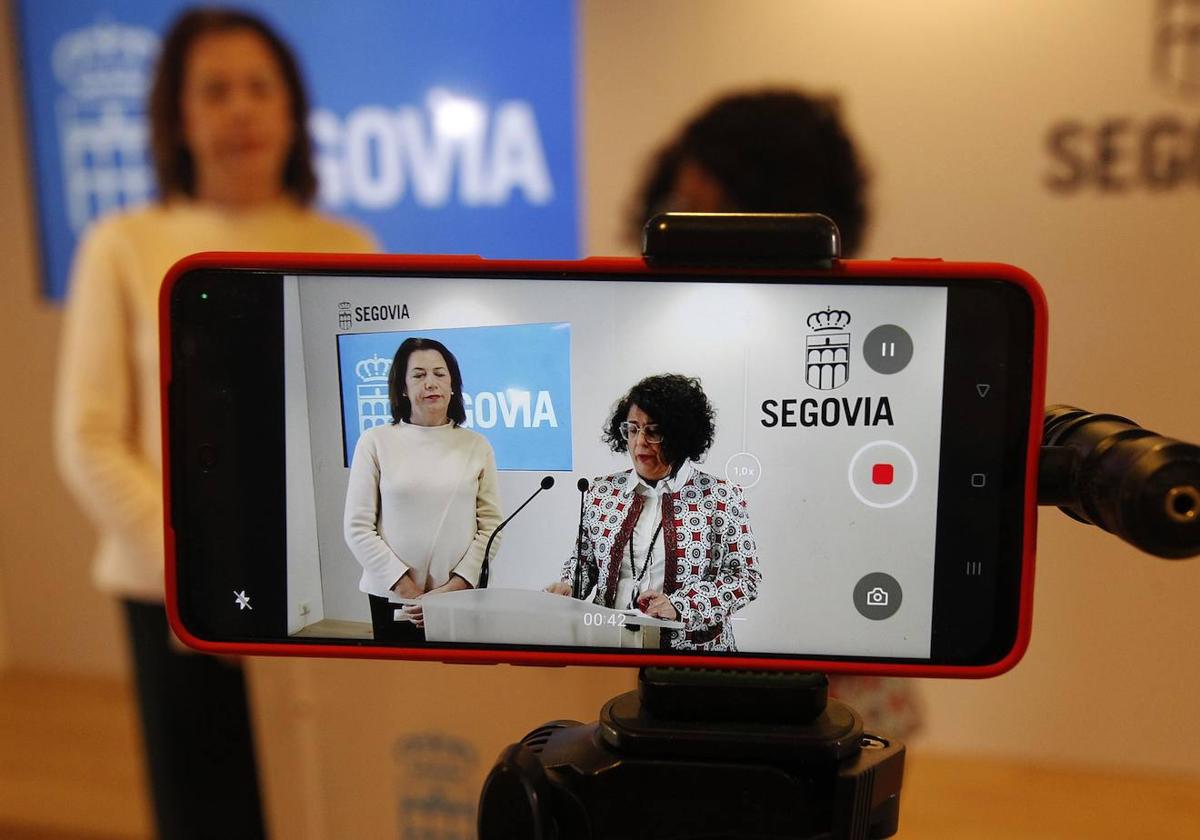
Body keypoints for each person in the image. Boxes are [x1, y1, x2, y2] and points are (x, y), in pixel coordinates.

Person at [53, 8, 376, 839]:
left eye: (259, 87)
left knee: (321, 802)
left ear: (292, 110)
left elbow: (359, 439)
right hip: (166, 594)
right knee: (204, 807)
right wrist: (199, 572)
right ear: (178, 115)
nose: (239, 109)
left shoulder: (347, 243)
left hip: (315, 595)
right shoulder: (121, 243)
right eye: (214, 89)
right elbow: (89, 437)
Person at [629, 88, 922, 738]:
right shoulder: (861, 333)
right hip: (844, 676)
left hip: (756, 677)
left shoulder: (683, 332)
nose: (685, 194)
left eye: (697, 181)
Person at [547, 374, 760, 651]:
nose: (639, 443)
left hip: (693, 658)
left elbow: (744, 578)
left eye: (653, 432)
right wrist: (568, 587)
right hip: (611, 650)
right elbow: (583, 563)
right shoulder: (601, 492)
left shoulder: (720, 496)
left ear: (680, 435)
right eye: (632, 429)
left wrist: (681, 605)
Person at [344, 337, 503, 643]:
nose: (431, 383)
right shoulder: (375, 441)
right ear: (402, 387)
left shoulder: (476, 445)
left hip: (460, 597)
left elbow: (492, 528)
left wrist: (453, 589)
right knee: (401, 684)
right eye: (418, 375)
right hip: (393, 596)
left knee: (460, 683)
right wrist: (410, 594)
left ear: (453, 384)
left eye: (439, 374)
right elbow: (357, 528)